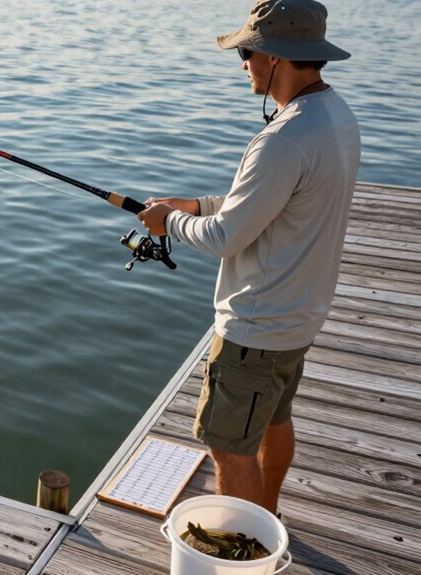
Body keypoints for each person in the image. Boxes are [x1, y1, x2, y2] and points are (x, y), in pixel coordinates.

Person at [137, 0, 361, 514]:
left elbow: (223, 237)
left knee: (228, 449)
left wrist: (167, 222)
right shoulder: (335, 117)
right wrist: (190, 204)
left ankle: (245, 553)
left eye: (248, 51)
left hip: (253, 331)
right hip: (298, 319)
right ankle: (270, 517)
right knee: (274, 421)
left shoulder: (282, 139)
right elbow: (264, 208)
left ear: (276, 56)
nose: (244, 63)